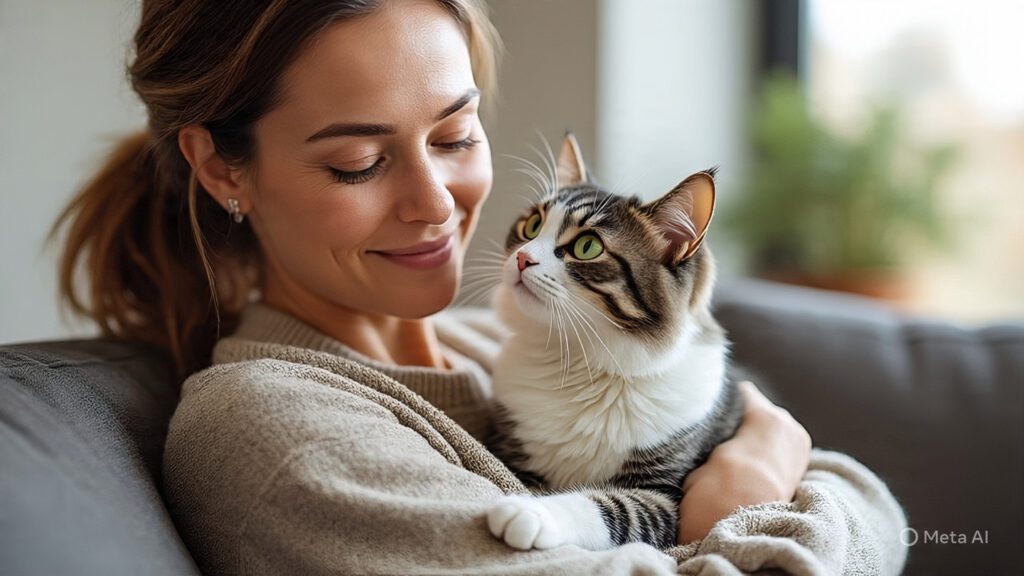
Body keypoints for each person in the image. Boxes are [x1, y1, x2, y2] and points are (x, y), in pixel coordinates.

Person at [49, 0, 908, 573]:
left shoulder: (500, 338)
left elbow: (874, 503)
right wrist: (743, 506)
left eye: (456, 137)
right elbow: (813, 493)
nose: (436, 205)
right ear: (220, 169)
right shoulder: (277, 429)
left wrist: (760, 478)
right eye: (359, 164)